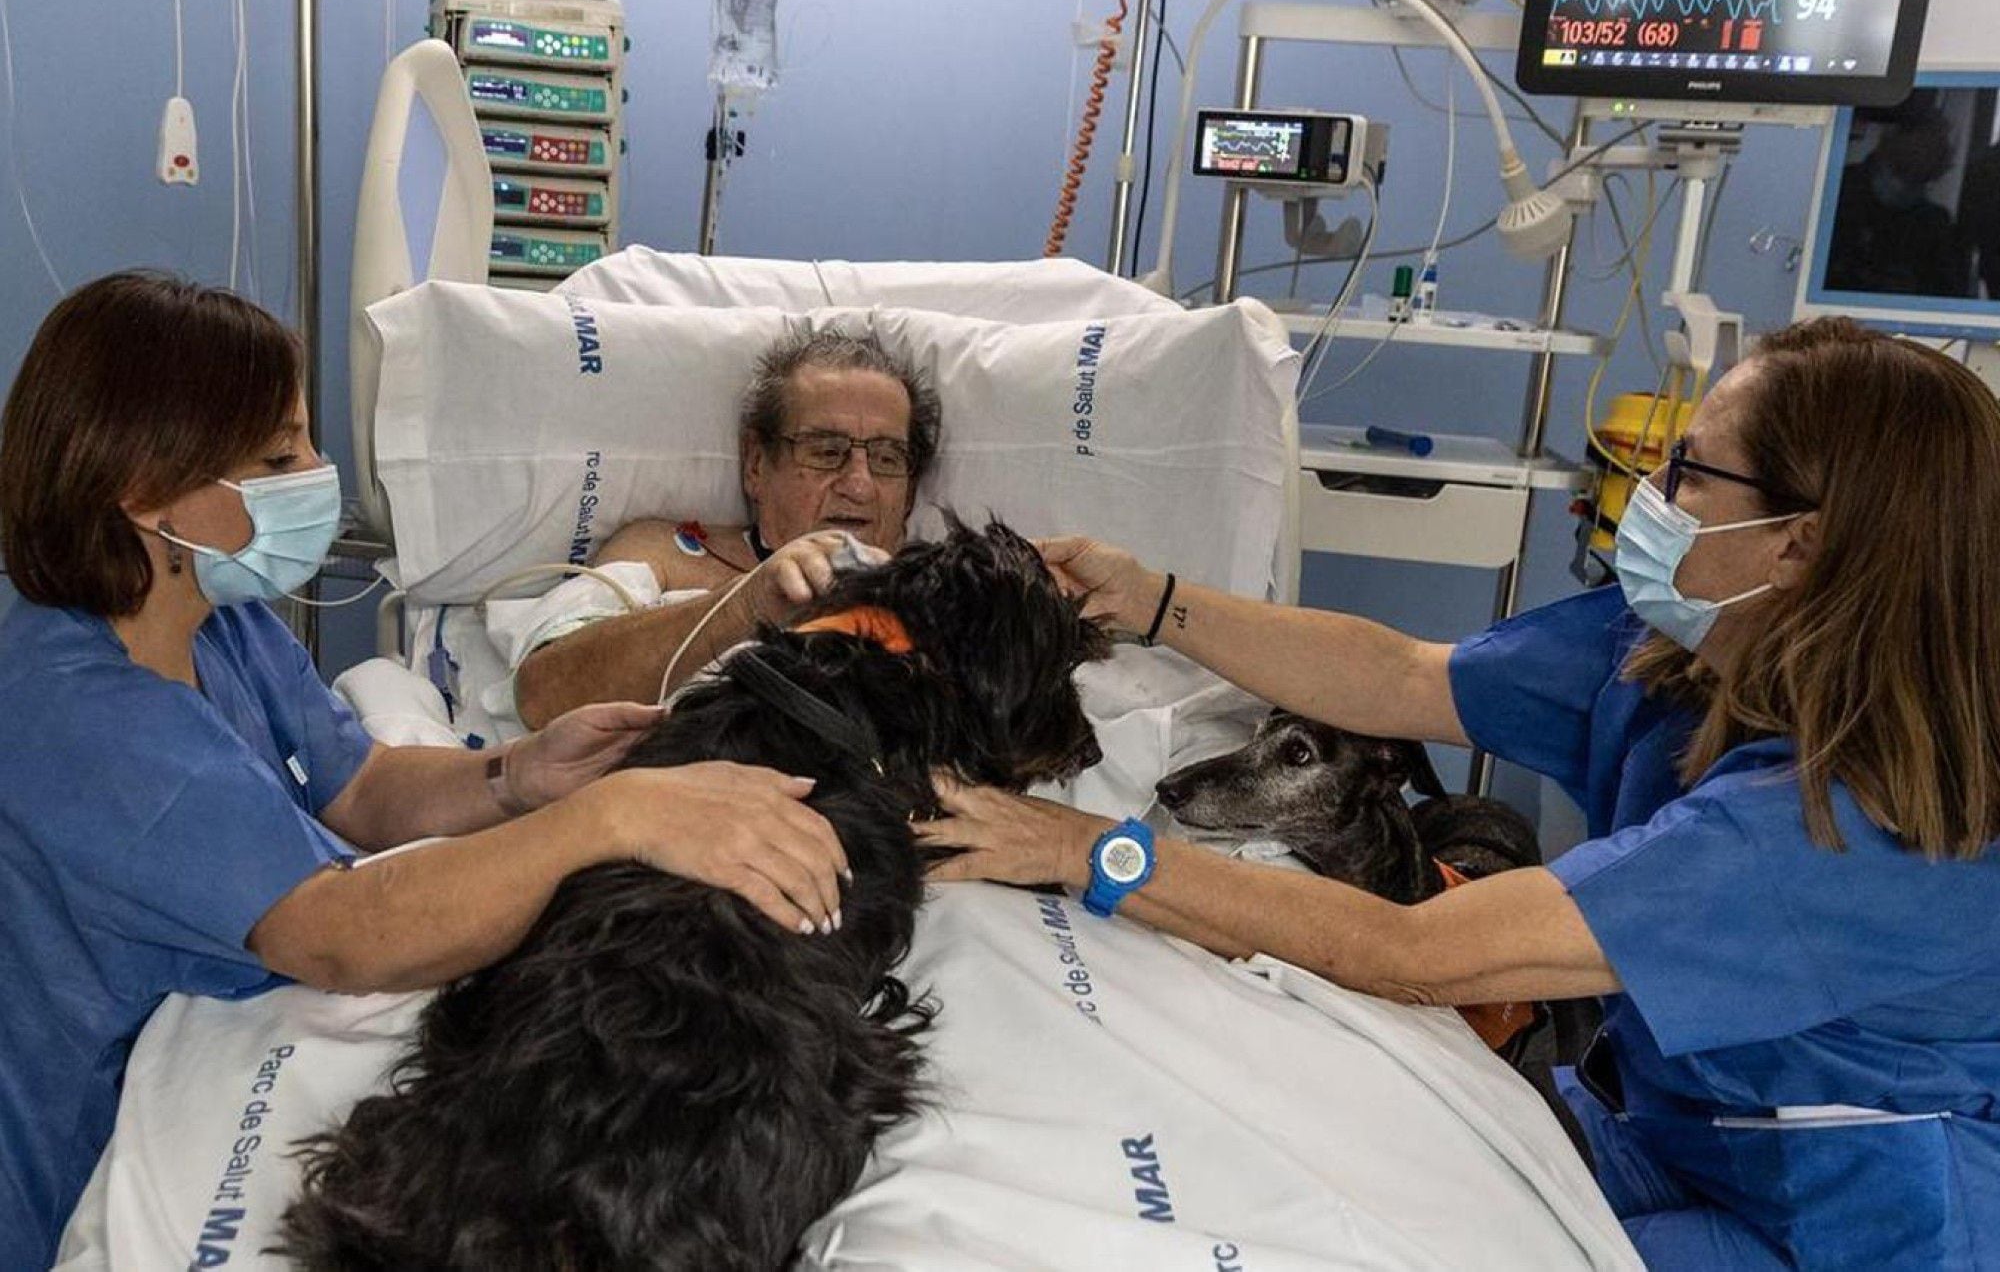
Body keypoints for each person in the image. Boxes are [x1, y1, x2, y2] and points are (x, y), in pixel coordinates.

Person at [920, 317, 2000, 1269]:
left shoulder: (1847, 831)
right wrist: (1152, 599)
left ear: (1797, 544)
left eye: (1689, 472)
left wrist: (1084, 849)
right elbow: (1401, 677)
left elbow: (1417, 953)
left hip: (1841, 1225)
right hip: (1669, 1129)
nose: (1654, 497)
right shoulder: (1688, 654)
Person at [0, 272, 850, 1267]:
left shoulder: (215, 621)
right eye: (277, 456)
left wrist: (516, 777)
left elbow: (356, 783)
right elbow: (342, 934)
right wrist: (609, 818)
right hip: (88, 1154)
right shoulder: (85, 720)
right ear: (143, 488)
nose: (316, 474)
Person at [512, 328, 942, 728]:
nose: (860, 485)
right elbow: (541, 696)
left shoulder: (942, 602)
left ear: (909, 492)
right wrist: (748, 602)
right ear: (756, 464)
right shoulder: (668, 558)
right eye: (827, 452)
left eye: (887, 459)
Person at [1825, 104, 1972, 299]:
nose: (1905, 185)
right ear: (1887, 145)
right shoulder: (1832, 191)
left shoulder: (1935, 225)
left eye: (1920, 177)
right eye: (1902, 169)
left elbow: (1950, 297)